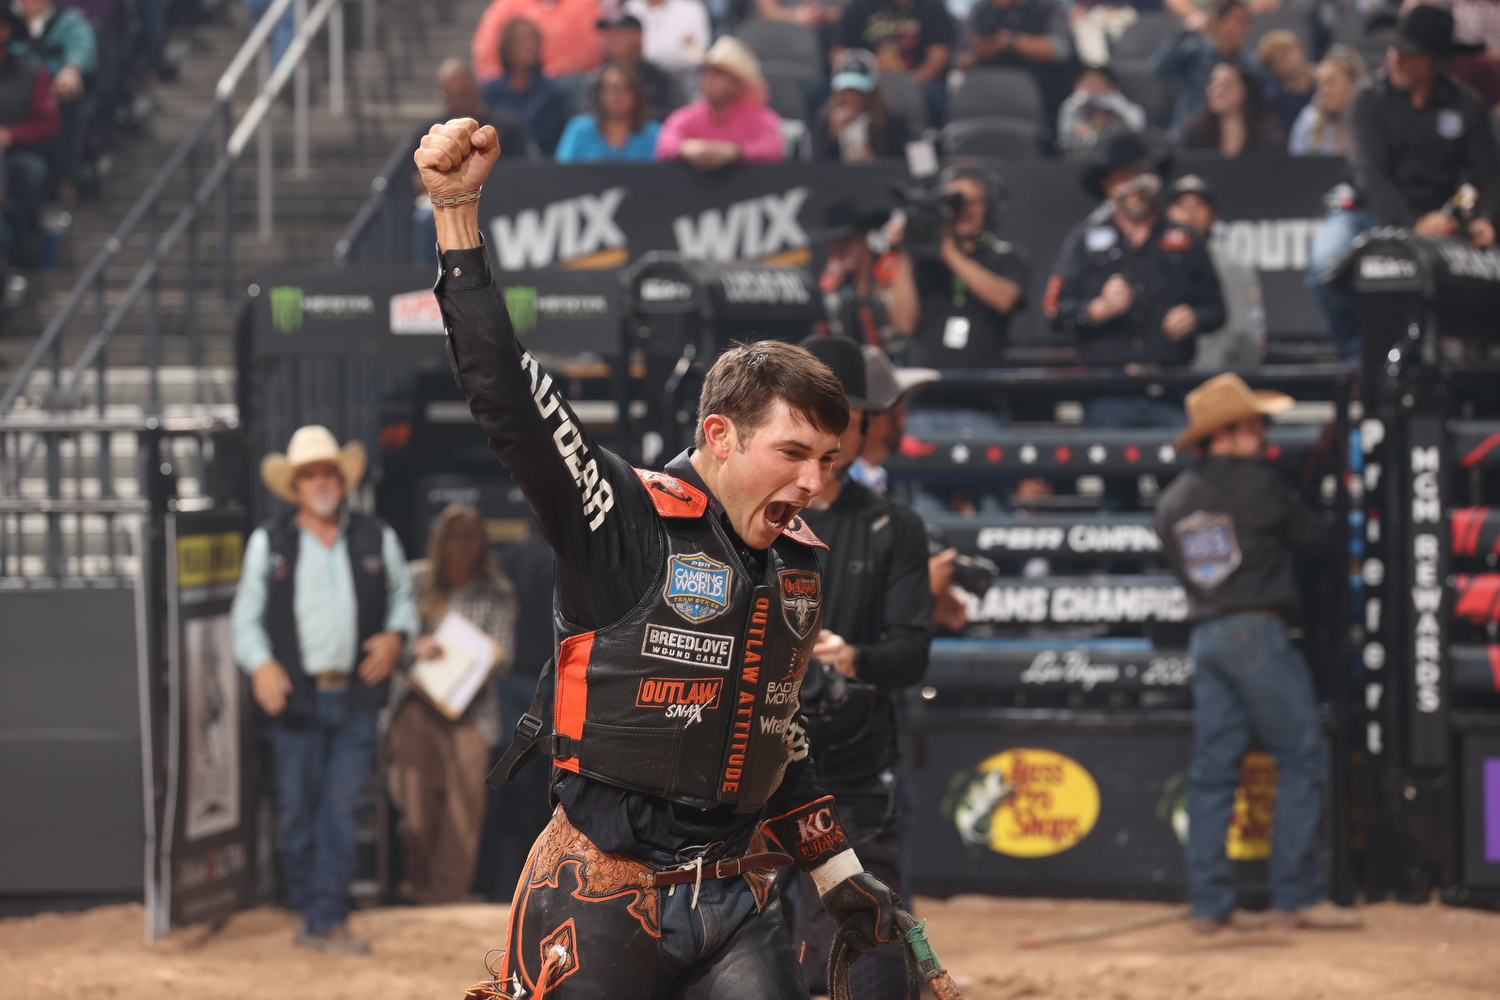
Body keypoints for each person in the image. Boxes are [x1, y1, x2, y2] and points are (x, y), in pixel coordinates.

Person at [416, 116, 903, 998]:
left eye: (828, 459)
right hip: (599, 892)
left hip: (737, 900)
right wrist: (456, 215)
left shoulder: (794, 563)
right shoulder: (619, 515)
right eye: (793, 453)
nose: (813, 481)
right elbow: (508, 395)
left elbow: (776, 733)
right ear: (719, 435)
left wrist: (838, 874)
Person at [1154, 373, 1361, 934]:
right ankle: (1296, 894)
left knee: (1213, 771)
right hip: (1257, 631)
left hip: (1207, 635)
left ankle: (1209, 904)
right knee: (1301, 757)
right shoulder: (1262, 485)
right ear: (1226, 433)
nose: (1263, 434)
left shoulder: (1173, 501)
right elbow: (1315, 537)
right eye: (1253, 425)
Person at [229, 426, 418, 954]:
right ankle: (312, 910)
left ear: (342, 480)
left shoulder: (377, 536)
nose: (320, 482)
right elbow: (245, 620)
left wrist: (396, 636)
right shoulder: (270, 542)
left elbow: (404, 601)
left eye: (328, 473)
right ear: (294, 486)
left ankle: (324, 919)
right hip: (296, 697)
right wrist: (261, 664)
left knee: (340, 807)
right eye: (309, 475)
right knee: (297, 810)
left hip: (356, 696)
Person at [788, 335, 933, 1000]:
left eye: (839, 417)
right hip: (749, 782)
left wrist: (850, 657)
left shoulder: (892, 527)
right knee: (759, 962)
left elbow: (910, 654)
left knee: (873, 965)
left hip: (850, 771)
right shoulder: (744, 520)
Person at [1307, 4, 1500, 361]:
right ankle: (1358, 362)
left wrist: (1485, 219)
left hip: (1442, 218)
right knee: (1325, 266)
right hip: (1368, 212)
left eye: (1407, 53)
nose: (1394, 58)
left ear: (1432, 59)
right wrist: (1412, 224)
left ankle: (1471, 369)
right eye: (1394, 48)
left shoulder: (1467, 105)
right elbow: (1371, 177)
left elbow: (1487, 177)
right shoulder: (1367, 99)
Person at [1044, 131, 1225, 427]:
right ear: (1107, 187)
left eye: (1139, 177)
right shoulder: (1084, 239)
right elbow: (1053, 309)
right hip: (1107, 392)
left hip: (1172, 387)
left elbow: (1217, 309)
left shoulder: (1184, 238)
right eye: (1122, 179)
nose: (1133, 188)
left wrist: (1195, 317)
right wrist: (1096, 310)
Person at [386, 503, 517, 905]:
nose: (461, 543)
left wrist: (476, 655)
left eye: (470, 535)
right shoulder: (414, 579)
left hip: (472, 709)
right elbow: (392, 639)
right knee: (414, 803)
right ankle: (423, 888)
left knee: (465, 809)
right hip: (417, 704)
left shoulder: (497, 591)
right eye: (453, 534)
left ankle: (448, 895)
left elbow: (505, 655)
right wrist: (414, 646)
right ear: (439, 539)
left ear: (483, 542)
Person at [891, 163, 1031, 369]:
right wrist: (905, 253)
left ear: (989, 206)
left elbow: (1005, 300)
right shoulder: (922, 262)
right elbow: (904, 324)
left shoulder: (1007, 256)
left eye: (973, 202)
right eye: (955, 201)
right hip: (927, 383)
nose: (964, 209)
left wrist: (948, 253)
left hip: (984, 383)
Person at [412, 58, 537, 267]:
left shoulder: (507, 126)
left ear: (476, 88)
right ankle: (428, 282)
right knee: (425, 219)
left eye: (463, 94)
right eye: (450, 96)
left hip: (502, 200)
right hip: (448, 203)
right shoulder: (430, 132)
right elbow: (415, 179)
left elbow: (527, 171)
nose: (458, 102)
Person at [1165, 175, 1265, 367]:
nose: (1189, 212)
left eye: (1199, 205)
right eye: (1180, 204)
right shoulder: (1157, 260)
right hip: (1166, 373)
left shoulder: (1232, 266)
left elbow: (1245, 333)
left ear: (1214, 216)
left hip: (1215, 373)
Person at [656, 36, 785, 168]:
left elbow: (773, 148)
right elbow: (664, 144)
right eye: (705, 71)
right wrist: (684, 148)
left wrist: (737, 151)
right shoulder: (686, 116)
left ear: (736, 84)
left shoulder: (762, 119)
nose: (707, 78)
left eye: (717, 73)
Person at [15, 0, 94, 200]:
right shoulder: (11, 25)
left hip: (57, 95)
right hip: (18, 99)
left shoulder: (68, 22)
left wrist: (72, 69)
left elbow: (82, 46)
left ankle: (65, 179)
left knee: (69, 99)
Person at [833, 0, 954, 128]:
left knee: (934, 94)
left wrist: (907, 84)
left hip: (918, 81)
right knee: (827, 90)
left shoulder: (931, 7)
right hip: (868, 83)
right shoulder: (858, 7)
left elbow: (939, 56)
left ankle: (936, 137)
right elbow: (839, 54)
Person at [957, 0, 1074, 130]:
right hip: (989, 96)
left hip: (1042, 96)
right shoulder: (980, 10)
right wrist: (978, 54)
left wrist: (1011, 41)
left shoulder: (1046, 6)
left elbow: (1061, 50)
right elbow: (960, 61)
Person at [0, 6, 58, 266]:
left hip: (16, 153)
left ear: (6, 30)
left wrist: (10, 134)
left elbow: (48, 124)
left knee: (30, 170)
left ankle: (18, 247)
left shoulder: (32, 72)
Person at [815, 195, 908, 354]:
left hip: (902, 363)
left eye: (845, 241)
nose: (838, 250)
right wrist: (827, 293)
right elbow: (826, 342)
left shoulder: (892, 270)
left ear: (863, 236)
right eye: (832, 244)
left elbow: (906, 326)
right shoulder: (834, 287)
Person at [1150, 0, 1256, 130]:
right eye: (1238, 20)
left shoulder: (1247, 63)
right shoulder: (1195, 53)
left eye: (1247, 21)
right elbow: (1159, 69)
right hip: (1188, 134)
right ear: (1217, 22)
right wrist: (1187, 31)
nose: (1245, 28)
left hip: (1229, 135)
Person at [479, 18, 573, 155]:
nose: (530, 45)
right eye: (522, 40)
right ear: (507, 47)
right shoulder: (490, 91)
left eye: (533, 39)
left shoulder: (554, 92)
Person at [811, 49, 911, 162]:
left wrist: (875, 161)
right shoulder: (825, 119)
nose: (853, 97)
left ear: (873, 91)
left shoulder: (891, 120)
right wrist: (832, 135)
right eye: (847, 90)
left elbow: (906, 162)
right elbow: (815, 164)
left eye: (860, 91)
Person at [471, 0, 605, 81]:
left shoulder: (584, 5)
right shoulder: (507, 6)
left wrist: (554, 72)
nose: (529, 46)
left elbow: (592, 46)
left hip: (566, 82)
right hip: (511, 81)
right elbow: (486, 49)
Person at [556, 62, 662, 162]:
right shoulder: (579, 129)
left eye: (624, 89)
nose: (617, 95)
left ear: (636, 95)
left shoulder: (654, 134)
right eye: (610, 89)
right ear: (599, 94)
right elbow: (562, 170)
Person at [1177, 61, 1287, 156]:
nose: (1217, 90)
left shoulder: (1269, 136)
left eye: (1227, 84)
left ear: (1245, 89)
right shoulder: (1193, 133)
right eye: (1213, 82)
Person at [590, 13, 684, 123]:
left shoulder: (662, 79)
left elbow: (676, 117)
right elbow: (589, 115)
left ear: (639, 36)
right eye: (607, 33)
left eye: (619, 32)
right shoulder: (596, 79)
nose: (611, 38)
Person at [1288, 44, 1365, 156]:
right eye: (1320, 84)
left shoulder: (1372, 119)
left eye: (1331, 81)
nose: (1324, 91)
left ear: (1353, 82)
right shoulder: (1308, 119)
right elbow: (1296, 163)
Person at [1056, 64, 1146, 158]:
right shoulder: (1072, 105)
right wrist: (1095, 124)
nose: (1091, 86)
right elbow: (1068, 139)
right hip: (1085, 157)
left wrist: (1114, 112)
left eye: (1096, 81)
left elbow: (1136, 129)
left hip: (1120, 154)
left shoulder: (1123, 105)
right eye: (1086, 81)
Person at [622, 0, 712, 76]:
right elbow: (623, 53)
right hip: (640, 79)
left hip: (684, 82)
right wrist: (677, 47)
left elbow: (698, 56)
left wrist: (643, 51)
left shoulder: (691, 9)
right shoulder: (631, 7)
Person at [1255, 28, 1315, 131]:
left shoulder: (1326, 78)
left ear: (1301, 49)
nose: (1285, 60)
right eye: (1276, 59)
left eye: (1286, 51)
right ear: (1271, 69)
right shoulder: (1273, 98)